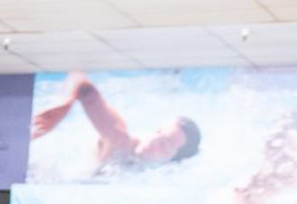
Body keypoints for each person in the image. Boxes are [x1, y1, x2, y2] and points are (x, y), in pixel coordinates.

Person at [32, 72, 201, 174]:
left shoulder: (165, 174)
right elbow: (82, 84)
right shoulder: (119, 139)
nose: (154, 143)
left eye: (166, 145)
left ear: (173, 160)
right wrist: (63, 106)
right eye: (159, 134)